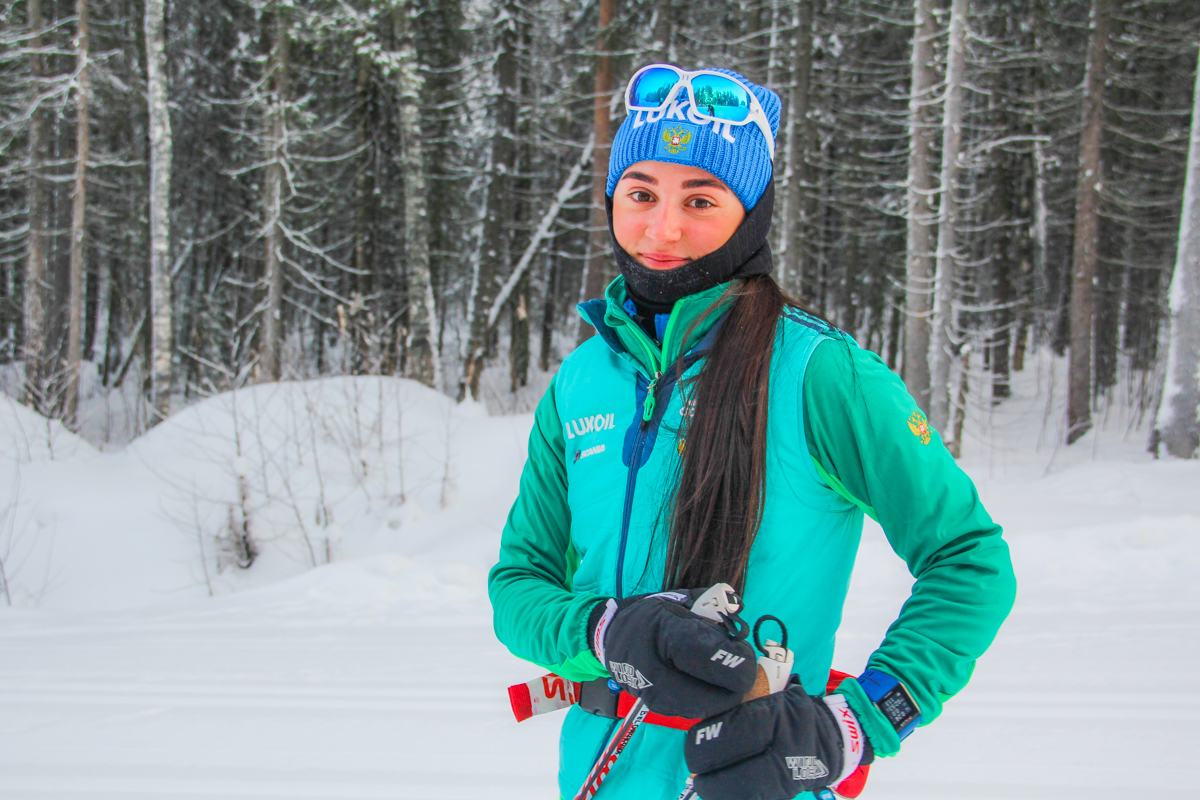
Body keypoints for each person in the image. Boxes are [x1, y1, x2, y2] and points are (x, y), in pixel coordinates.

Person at [488, 65, 1016, 800]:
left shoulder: (822, 374)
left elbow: (970, 560)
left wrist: (859, 722)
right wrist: (604, 632)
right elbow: (518, 589)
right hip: (595, 777)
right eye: (640, 194)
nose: (662, 228)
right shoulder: (582, 382)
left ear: (752, 213)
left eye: (700, 199)